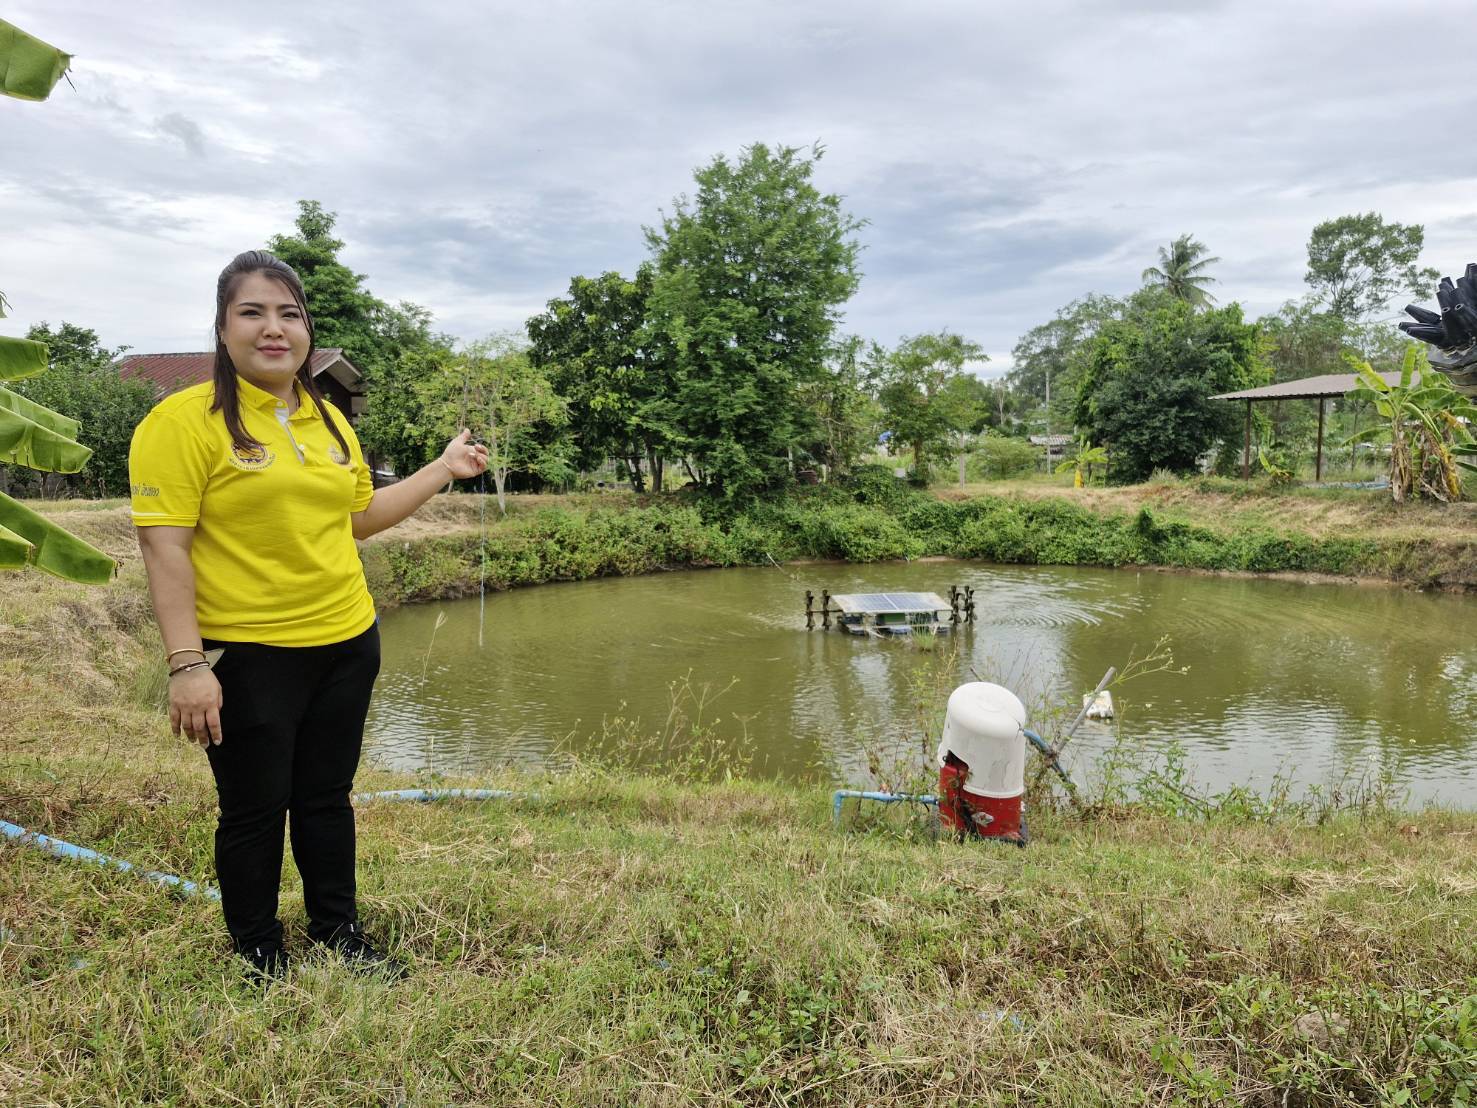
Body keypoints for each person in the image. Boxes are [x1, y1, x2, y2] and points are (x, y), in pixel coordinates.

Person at [129, 250, 488, 979]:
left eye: (288, 313)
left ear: (306, 328)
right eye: (252, 313)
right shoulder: (182, 422)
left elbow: (358, 518)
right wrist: (188, 664)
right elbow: (164, 551)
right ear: (223, 328)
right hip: (250, 652)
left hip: (347, 640)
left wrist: (441, 471)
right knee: (255, 809)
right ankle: (258, 950)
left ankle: (337, 931)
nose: (273, 329)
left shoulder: (325, 418)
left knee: (326, 798)